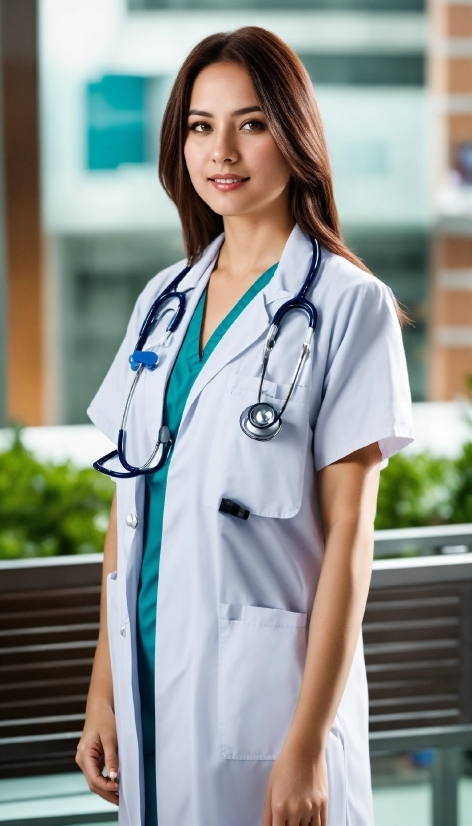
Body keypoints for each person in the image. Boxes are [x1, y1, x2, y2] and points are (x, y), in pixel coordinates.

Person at [76, 26, 414, 826]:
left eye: (251, 123)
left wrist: (305, 743)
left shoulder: (346, 305)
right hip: (148, 683)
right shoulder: (163, 302)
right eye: (201, 125)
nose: (221, 151)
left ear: (294, 136)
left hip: (267, 712)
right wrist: (104, 689)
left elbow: (349, 547)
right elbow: (128, 513)